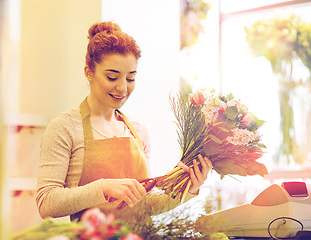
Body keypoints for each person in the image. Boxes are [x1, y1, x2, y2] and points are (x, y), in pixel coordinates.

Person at [36, 21, 212, 227]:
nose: (122, 88)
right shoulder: (65, 127)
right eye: (112, 77)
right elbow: (46, 202)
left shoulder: (138, 131)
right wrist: (103, 188)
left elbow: (145, 204)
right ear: (88, 72)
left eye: (130, 78)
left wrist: (189, 188)